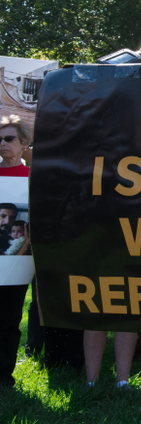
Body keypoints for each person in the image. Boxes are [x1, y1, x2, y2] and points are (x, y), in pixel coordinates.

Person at [0, 115, 30, 388]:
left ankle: (3, 376)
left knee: (9, 320)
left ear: (23, 143)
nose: (2, 144)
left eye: (8, 139)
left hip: (17, 264)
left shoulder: (33, 178)